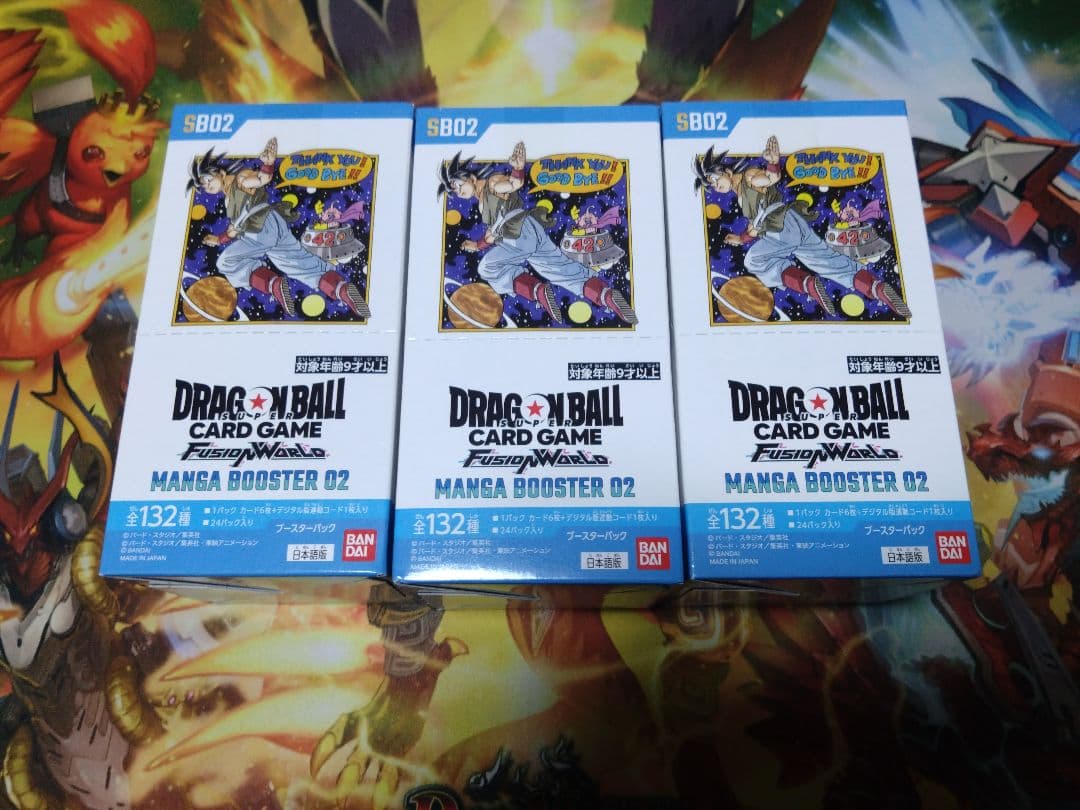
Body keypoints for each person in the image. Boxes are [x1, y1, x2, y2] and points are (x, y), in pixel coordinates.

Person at [694, 138, 909, 318]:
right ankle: (877, 288)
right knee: (829, 262)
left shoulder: (748, 177)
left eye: (714, 179)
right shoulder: (740, 193)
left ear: (726, 171)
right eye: (711, 185)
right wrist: (741, 238)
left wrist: (773, 163)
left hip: (781, 228)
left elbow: (769, 179)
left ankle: (806, 284)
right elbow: (755, 226)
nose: (715, 186)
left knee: (754, 260)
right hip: (792, 223)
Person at [439, 142, 636, 325]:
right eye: (453, 191)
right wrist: (477, 245)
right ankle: (606, 296)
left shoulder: (491, 184)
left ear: (471, 178)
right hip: (530, 230)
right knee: (562, 270)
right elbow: (492, 233)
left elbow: (513, 184)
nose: (457, 191)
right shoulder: (483, 199)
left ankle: (536, 290)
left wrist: (518, 169)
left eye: (458, 185)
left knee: (487, 268)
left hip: (517, 236)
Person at [188, 137, 369, 319]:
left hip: (260, 229)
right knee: (299, 264)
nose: (207, 186)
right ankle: (341, 289)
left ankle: (272, 284)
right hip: (273, 223)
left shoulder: (240, 180)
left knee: (226, 261)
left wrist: (268, 165)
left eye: (207, 179)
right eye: (203, 186)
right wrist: (219, 239)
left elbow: (261, 179)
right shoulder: (229, 196)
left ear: (220, 172)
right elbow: (234, 230)